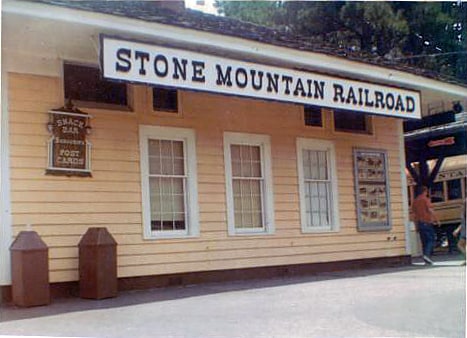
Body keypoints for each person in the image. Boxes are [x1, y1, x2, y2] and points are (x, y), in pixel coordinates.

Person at [412, 186, 440, 265]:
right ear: (425, 191)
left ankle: (426, 258)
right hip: (427, 222)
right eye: (426, 192)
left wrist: (416, 226)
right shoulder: (425, 199)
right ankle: (427, 255)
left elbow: (414, 215)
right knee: (431, 239)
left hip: (420, 223)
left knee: (424, 241)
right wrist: (437, 220)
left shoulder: (415, 201)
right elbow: (430, 210)